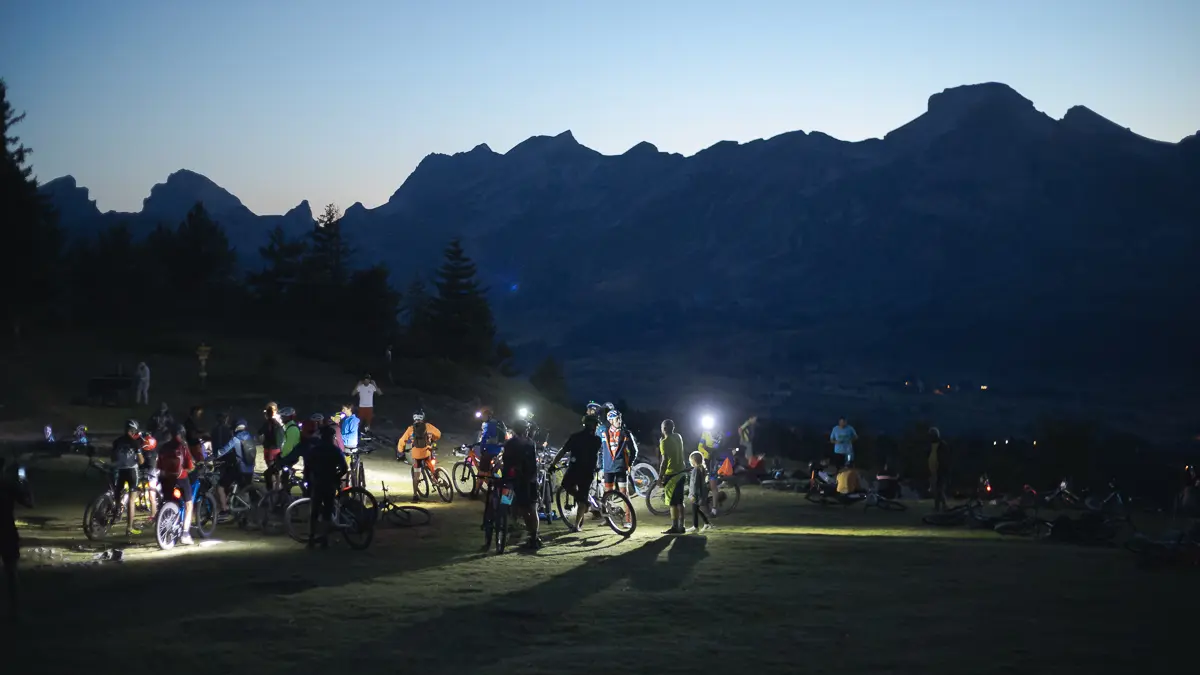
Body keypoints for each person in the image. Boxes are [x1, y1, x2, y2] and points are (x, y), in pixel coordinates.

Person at [551, 415, 603, 532]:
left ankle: (584, 502)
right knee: (583, 494)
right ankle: (577, 525)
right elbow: (595, 456)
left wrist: (553, 464)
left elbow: (563, 451)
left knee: (566, 485)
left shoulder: (575, 437)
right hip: (589, 471)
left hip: (575, 469)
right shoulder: (597, 440)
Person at [304, 426, 347, 549]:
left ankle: (311, 539)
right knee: (327, 512)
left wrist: (308, 482)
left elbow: (307, 468)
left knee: (314, 512)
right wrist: (336, 477)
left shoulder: (314, 450)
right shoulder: (335, 450)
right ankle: (324, 540)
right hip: (330, 484)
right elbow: (344, 468)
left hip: (317, 483)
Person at [1, 457, 33, 621]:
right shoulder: (9, 485)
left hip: (7, 530)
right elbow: (29, 503)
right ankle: (14, 610)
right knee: (11, 571)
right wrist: (24, 482)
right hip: (6, 530)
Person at [501, 419, 540, 550]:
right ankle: (534, 537)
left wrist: (504, 476)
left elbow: (506, 462)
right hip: (531, 479)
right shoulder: (531, 442)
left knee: (517, 504)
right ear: (526, 430)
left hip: (517, 479)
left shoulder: (510, 443)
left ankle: (513, 522)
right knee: (532, 508)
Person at [157, 424, 196, 546]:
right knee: (189, 504)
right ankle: (185, 534)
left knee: (168, 500)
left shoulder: (164, 447)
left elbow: (159, 466)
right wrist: (192, 467)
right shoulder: (182, 446)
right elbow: (189, 465)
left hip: (165, 479)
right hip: (180, 479)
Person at [215, 419, 256, 522]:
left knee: (220, 486)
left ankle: (224, 510)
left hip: (239, 469)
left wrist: (211, 457)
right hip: (250, 470)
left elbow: (222, 452)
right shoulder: (250, 438)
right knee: (243, 491)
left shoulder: (235, 439)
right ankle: (244, 517)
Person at [398, 410, 442, 502]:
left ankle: (415, 495)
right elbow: (438, 434)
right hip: (427, 452)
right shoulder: (428, 426)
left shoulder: (410, 429)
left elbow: (402, 441)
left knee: (416, 475)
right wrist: (432, 438)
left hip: (416, 454)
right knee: (431, 463)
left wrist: (400, 451)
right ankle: (435, 478)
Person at [111, 419, 146, 536]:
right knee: (131, 500)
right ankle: (129, 528)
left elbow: (113, 457)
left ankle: (116, 512)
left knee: (117, 494)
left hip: (120, 470)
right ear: (133, 431)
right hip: (132, 472)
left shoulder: (117, 442)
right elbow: (141, 461)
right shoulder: (135, 443)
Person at [657, 419, 688, 534]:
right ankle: (682, 525)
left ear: (664, 429)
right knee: (680, 501)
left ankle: (675, 526)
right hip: (682, 471)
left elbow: (664, 461)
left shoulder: (664, 442)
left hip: (672, 474)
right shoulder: (678, 437)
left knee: (673, 503)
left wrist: (660, 477)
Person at [600, 409, 638, 501]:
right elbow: (600, 451)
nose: (620, 421)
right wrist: (600, 467)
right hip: (608, 468)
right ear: (610, 420)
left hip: (621, 467)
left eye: (620, 419)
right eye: (617, 419)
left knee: (624, 494)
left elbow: (634, 450)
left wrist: (629, 464)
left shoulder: (626, 433)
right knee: (608, 495)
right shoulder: (603, 433)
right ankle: (607, 514)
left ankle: (629, 516)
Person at [473, 408, 506, 496]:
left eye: (483, 416)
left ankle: (476, 492)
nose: (482, 418)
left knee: (481, 471)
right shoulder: (498, 423)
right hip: (498, 450)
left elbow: (484, 438)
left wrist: (481, 449)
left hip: (490, 450)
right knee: (490, 470)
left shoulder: (487, 424)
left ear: (488, 416)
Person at [696, 426, 722, 516]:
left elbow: (717, 446)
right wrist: (706, 453)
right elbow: (700, 446)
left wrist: (709, 452)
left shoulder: (719, 433)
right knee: (702, 483)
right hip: (705, 460)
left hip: (714, 460)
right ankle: (704, 503)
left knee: (713, 485)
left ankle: (714, 509)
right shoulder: (705, 432)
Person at [687, 451, 712, 533]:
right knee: (696, 509)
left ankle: (695, 526)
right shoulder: (702, 469)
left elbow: (695, 483)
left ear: (694, 460)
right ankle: (706, 523)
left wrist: (693, 495)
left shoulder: (696, 470)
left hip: (696, 494)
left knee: (695, 510)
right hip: (700, 493)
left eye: (691, 460)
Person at [928, 427, 951, 511]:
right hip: (934, 471)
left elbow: (944, 460)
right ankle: (937, 506)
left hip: (941, 471)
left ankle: (944, 505)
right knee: (936, 490)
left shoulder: (942, 445)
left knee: (940, 489)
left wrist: (940, 470)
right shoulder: (931, 446)